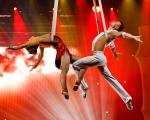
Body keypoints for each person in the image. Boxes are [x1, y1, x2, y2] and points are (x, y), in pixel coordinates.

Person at [72, 20, 142, 110]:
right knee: (111, 78)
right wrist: (115, 54)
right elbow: (112, 46)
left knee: (75, 65)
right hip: (100, 58)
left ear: (116, 27)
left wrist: (133, 37)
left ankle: (84, 86)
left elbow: (123, 34)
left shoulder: (113, 32)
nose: (114, 21)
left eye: (117, 22)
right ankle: (127, 98)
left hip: (98, 57)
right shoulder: (107, 33)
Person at [8, 34, 88, 99]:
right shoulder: (38, 41)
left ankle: (82, 85)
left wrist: (15, 48)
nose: (29, 41)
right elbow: (39, 54)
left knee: (83, 63)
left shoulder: (36, 41)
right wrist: (35, 64)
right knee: (65, 71)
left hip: (63, 51)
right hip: (62, 52)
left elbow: (38, 54)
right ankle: (65, 90)